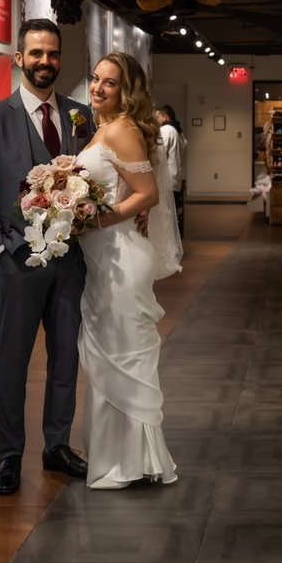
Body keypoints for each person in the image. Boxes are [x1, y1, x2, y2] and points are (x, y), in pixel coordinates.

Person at [0, 18, 92, 495]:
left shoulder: (81, 116)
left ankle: (56, 445)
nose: (45, 62)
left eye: (52, 54)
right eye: (36, 53)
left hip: (71, 263)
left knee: (65, 358)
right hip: (18, 263)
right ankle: (9, 455)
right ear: (19, 58)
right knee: (12, 364)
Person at [78, 52, 183, 489]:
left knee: (122, 356)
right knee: (110, 354)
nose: (98, 88)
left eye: (110, 83)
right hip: (104, 260)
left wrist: (99, 219)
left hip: (121, 257)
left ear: (127, 91)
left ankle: (126, 464)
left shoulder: (120, 130)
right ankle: (122, 458)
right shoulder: (102, 128)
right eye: (96, 79)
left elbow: (149, 194)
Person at [155, 105, 187, 237]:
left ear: (165, 117)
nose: (154, 120)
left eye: (157, 117)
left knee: (167, 214)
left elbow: (158, 153)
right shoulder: (178, 132)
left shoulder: (166, 130)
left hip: (167, 179)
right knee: (175, 213)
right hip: (176, 179)